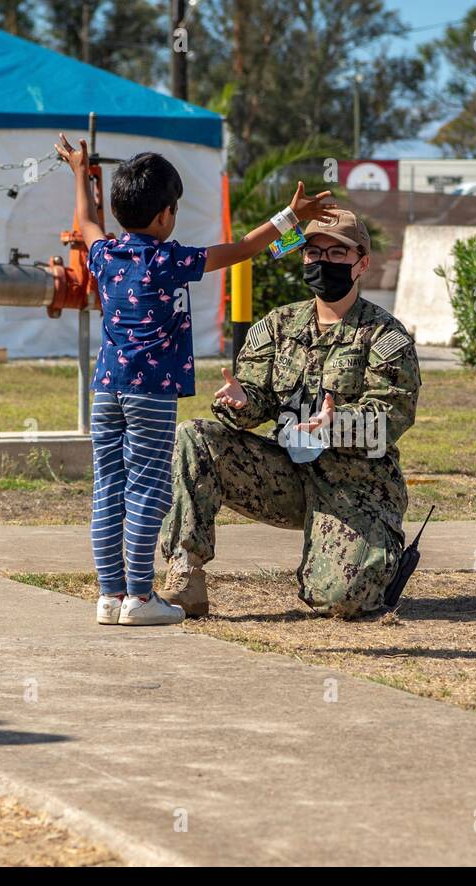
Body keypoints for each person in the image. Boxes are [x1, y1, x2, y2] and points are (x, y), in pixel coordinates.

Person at [54, 134, 335, 626]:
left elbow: (87, 223)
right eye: (176, 208)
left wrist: (80, 172)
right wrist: (292, 217)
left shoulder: (105, 256)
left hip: (105, 390)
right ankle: (140, 598)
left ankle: (109, 595)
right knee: (147, 489)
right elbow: (245, 248)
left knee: (108, 488)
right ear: (165, 214)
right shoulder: (170, 260)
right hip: (151, 394)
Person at [160, 209, 422, 619]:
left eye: (338, 253)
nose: (323, 262)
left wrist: (337, 424)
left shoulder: (384, 335)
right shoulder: (278, 325)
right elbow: (256, 398)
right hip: (285, 475)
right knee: (193, 436)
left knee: (342, 602)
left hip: (354, 486)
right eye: (314, 252)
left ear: (362, 264)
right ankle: (185, 575)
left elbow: (392, 417)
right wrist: (240, 401)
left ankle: (377, 555)